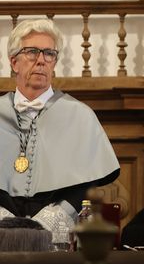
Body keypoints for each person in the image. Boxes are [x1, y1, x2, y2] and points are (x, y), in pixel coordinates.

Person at [0, 19, 120, 248]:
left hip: (56, 227)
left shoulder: (80, 115)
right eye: (32, 52)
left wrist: (50, 221)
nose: (41, 60)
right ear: (14, 62)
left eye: (49, 54)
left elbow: (86, 182)